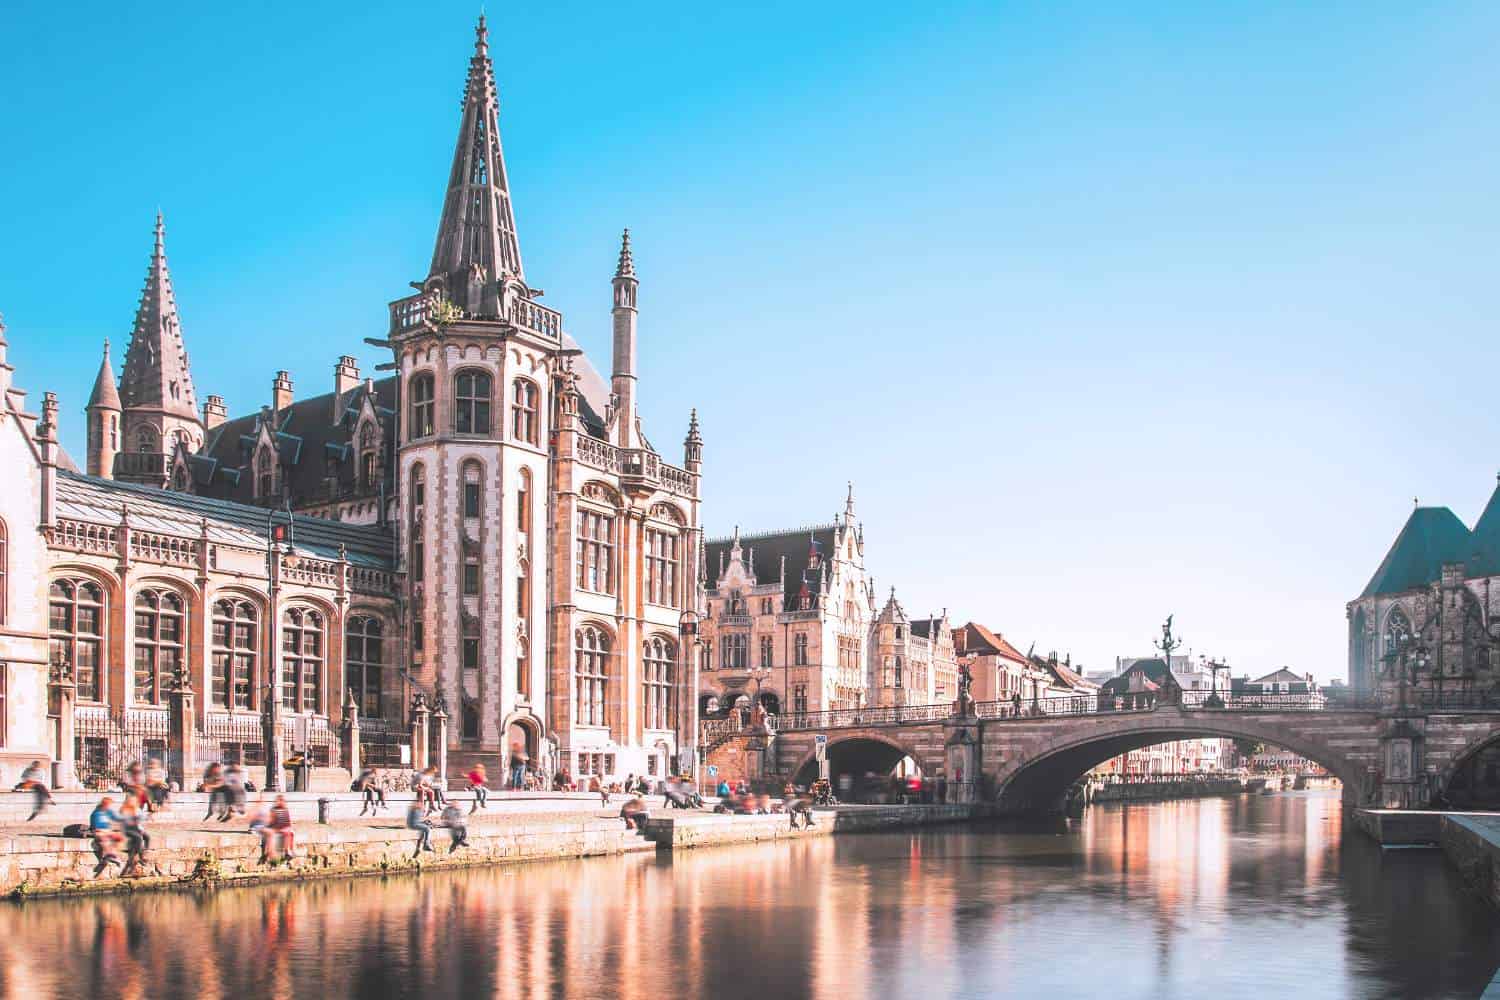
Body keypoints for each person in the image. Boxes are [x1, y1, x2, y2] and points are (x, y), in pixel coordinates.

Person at [89, 796, 124, 877]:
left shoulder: (108, 811)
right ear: (103, 804)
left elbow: (117, 818)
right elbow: (95, 826)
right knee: (104, 839)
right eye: (108, 805)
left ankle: (111, 855)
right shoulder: (96, 813)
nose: (109, 807)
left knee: (120, 837)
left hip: (107, 831)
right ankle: (109, 856)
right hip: (98, 831)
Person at [118, 799, 153, 877]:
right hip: (128, 830)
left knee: (147, 837)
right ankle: (141, 857)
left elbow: (139, 823)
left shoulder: (136, 810)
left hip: (136, 829)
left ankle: (144, 852)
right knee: (139, 840)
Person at [267, 795, 295, 862]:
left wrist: (289, 827)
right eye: (278, 801)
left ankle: (291, 850)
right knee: (287, 833)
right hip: (276, 828)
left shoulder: (285, 810)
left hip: (284, 828)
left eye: (281, 801)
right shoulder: (273, 810)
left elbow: (288, 821)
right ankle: (286, 851)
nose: (280, 802)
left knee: (291, 833)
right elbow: (272, 822)